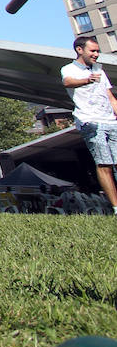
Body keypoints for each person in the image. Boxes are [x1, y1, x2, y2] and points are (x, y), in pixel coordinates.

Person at [62, 36, 117, 214]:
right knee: (104, 164)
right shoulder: (69, 69)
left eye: (97, 51)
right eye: (92, 51)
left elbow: (110, 96)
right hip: (91, 122)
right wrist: (87, 80)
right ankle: (116, 207)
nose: (96, 54)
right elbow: (67, 82)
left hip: (110, 120)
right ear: (80, 50)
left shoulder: (99, 70)